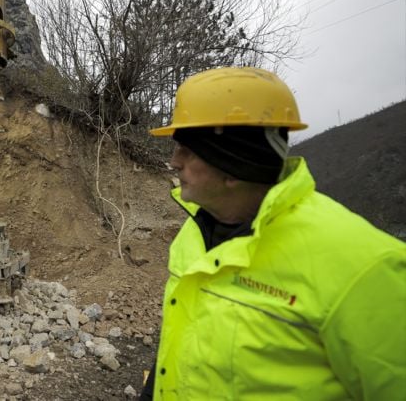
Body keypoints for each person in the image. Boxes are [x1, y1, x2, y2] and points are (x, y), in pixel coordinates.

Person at [141, 66, 406, 400]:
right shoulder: (194, 232)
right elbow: (181, 335)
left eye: (189, 151)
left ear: (235, 165)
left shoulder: (366, 267)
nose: (174, 162)